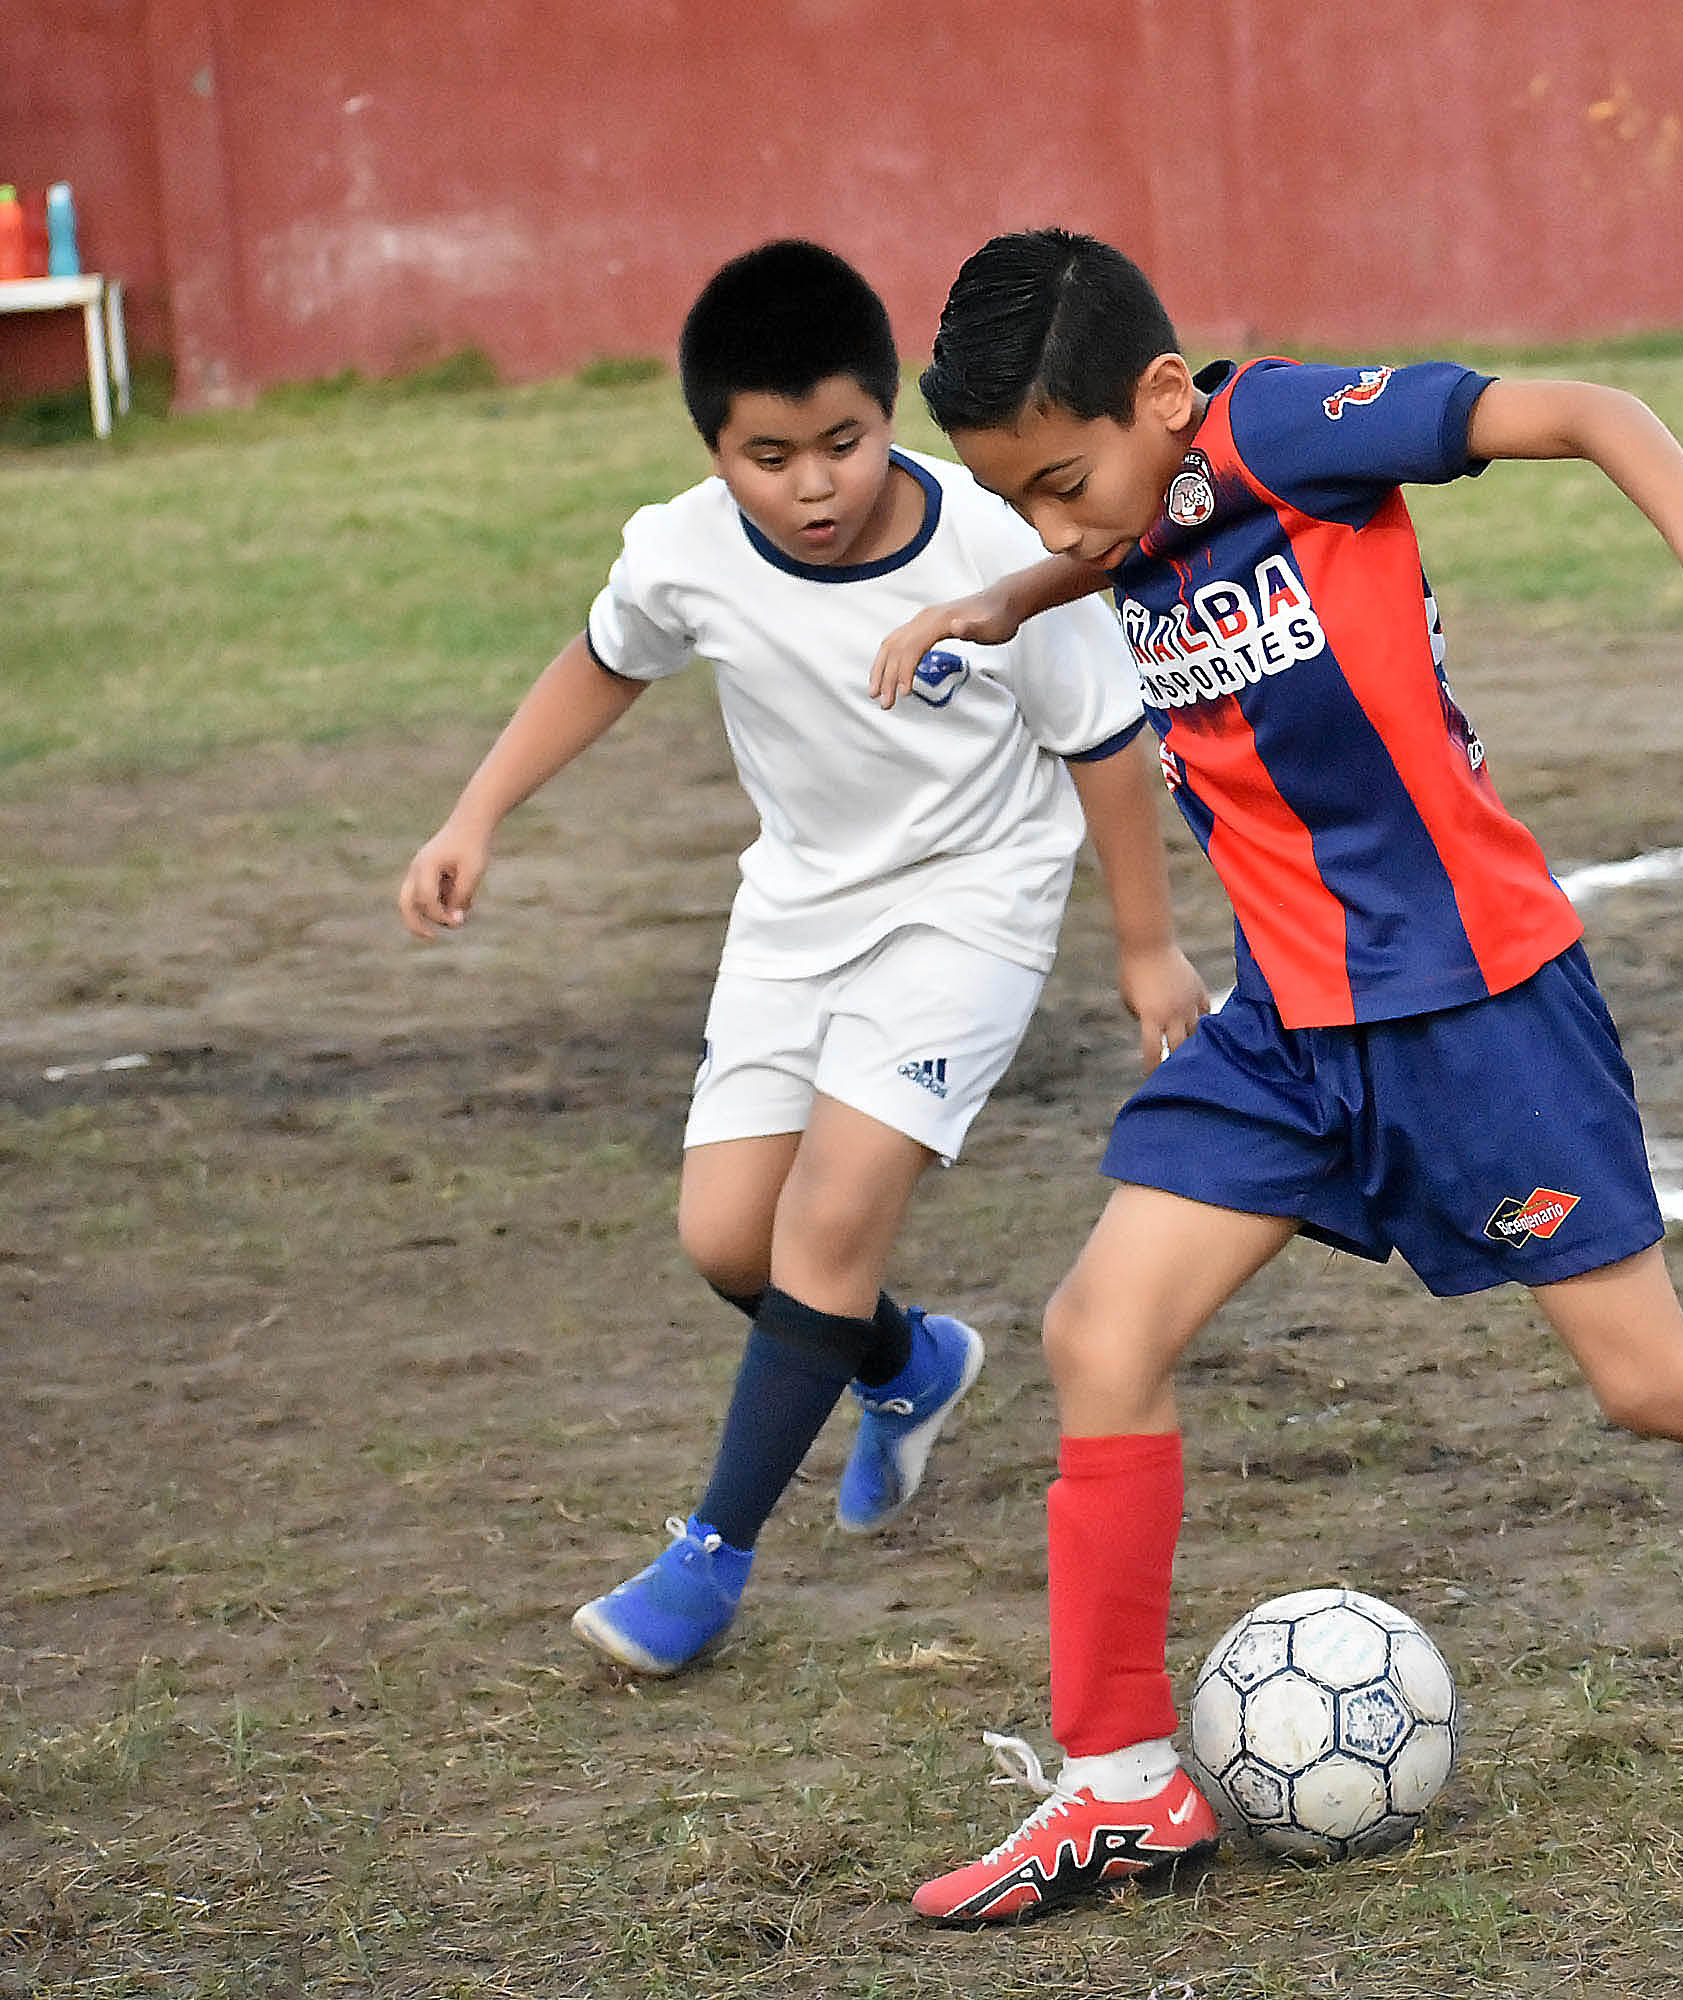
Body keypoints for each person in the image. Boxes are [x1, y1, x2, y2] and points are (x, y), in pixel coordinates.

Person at [875, 229, 1683, 1926]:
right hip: (1289, 1027)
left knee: (1652, 1378)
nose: (1049, 527)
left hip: (1472, 1004)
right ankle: (1119, 1783)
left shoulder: (1289, 429)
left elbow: (1589, 409)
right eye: (1013, 501)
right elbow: (1130, 536)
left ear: (1165, 396)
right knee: (1099, 1331)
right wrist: (1005, 598)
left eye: (1059, 486)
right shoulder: (1139, 498)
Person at [396, 240, 1206, 1679]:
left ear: (888, 412)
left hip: (970, 908)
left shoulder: (990, 543)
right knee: (731, 1241)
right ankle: (908, 1363)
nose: (814, 486)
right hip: (795, 913)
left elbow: (1103, 744)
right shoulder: (683, 552)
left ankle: (707, 1559)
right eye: (768, 459)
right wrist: (476, 813)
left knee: (827, 1225)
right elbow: (603, 660)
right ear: (716, 453)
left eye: (843, 442)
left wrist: (1146, 948)